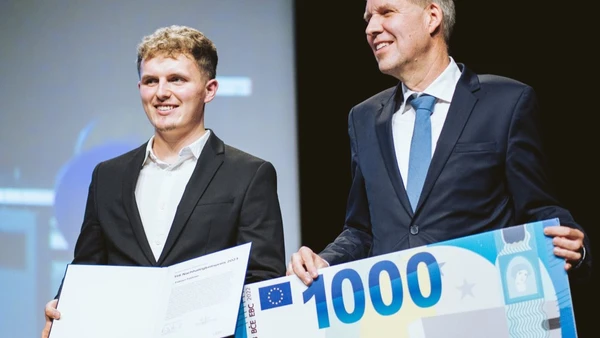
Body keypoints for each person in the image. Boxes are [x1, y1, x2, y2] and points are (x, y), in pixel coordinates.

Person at [287, 0, 591, 286]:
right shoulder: (364, 118)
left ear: (432, 16)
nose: (371, 28)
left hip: (482, 310)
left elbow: (538, 207)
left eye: (386, 12)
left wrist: (576, 249)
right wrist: (324, 260)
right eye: (368, 18)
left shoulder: (507, 103)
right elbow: (362, 229)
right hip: (398, 319)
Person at [42, 25, 286, 337]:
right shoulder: (108, 175)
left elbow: (262, 277)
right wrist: (63, 304)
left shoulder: (250, 174)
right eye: (150, 81)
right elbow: (87, 268)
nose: (161, 93)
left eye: (176, 79)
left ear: (209, 89)